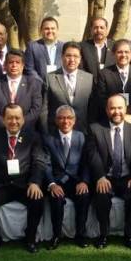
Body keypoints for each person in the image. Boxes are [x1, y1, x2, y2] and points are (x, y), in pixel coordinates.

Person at [0, 104, 48, 254]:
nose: (13, 121)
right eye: (9, 118)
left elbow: (38, 162)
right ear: (3, 120)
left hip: (25, 184)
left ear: (23, 119)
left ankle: (30, 238)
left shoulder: (33, 137)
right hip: (2, 185)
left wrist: (35, 182)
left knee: (37, 199)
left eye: (17, 118)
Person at [86, 95, 131, 249]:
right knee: (101, 194)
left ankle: (129, 235)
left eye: (120, 108)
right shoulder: (95, 129)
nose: (116, 112)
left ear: (126, 109)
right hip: (106, 177)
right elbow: (93, 155)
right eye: (112, 108)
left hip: (127, 177)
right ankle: (103, 235)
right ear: (106, 110)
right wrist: (100, 177)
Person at [43, 106, 92, 250]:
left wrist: (84, 181)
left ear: (74, 120)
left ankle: (81, 235)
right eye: (61, 118)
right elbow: (46, 164)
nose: (65, 121)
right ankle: (56, 236)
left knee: (84, 196)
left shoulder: (82, 137)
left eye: (69, 118)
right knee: (56, 198)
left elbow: (86, 163)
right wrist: (52, 184)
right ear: (56, 120)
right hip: (57, 181)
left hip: (76, 181)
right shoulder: (48, 139)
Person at [0, 49, 43, 133]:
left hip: (26, 132)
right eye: (11, 62)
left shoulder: (34, 84)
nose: (14, 65)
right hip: (0, 132)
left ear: (23, 66)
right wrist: (6, 125)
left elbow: (36, 109)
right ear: (5, 65)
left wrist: (19, 125)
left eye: (17, 62)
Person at [96, 39, 131, 124]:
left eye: (126, 52)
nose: (123, 55)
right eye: (120, 52)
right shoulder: (104, 74)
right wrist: (117, 115)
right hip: (111, 121)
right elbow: (101, 99)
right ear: (113, 54)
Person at [42, 41, 94, 133]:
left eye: (76, 56)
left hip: (82, 132)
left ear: (80, 59)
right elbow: (44, 110)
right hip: (56, 132)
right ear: (62, 57)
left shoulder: (89, 78)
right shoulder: (50, 78)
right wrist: (46, 132)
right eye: (68, 56)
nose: (72, 59)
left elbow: (92, 109)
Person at [24, 16, 64, 82]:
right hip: (39, 85)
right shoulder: (32, 47)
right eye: (46, 28)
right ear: (41, 30)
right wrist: (41, 83)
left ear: (57, 30)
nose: (50, 31)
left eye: (53, 28)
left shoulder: (64, 47)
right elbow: (29, 69)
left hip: (60, 85)